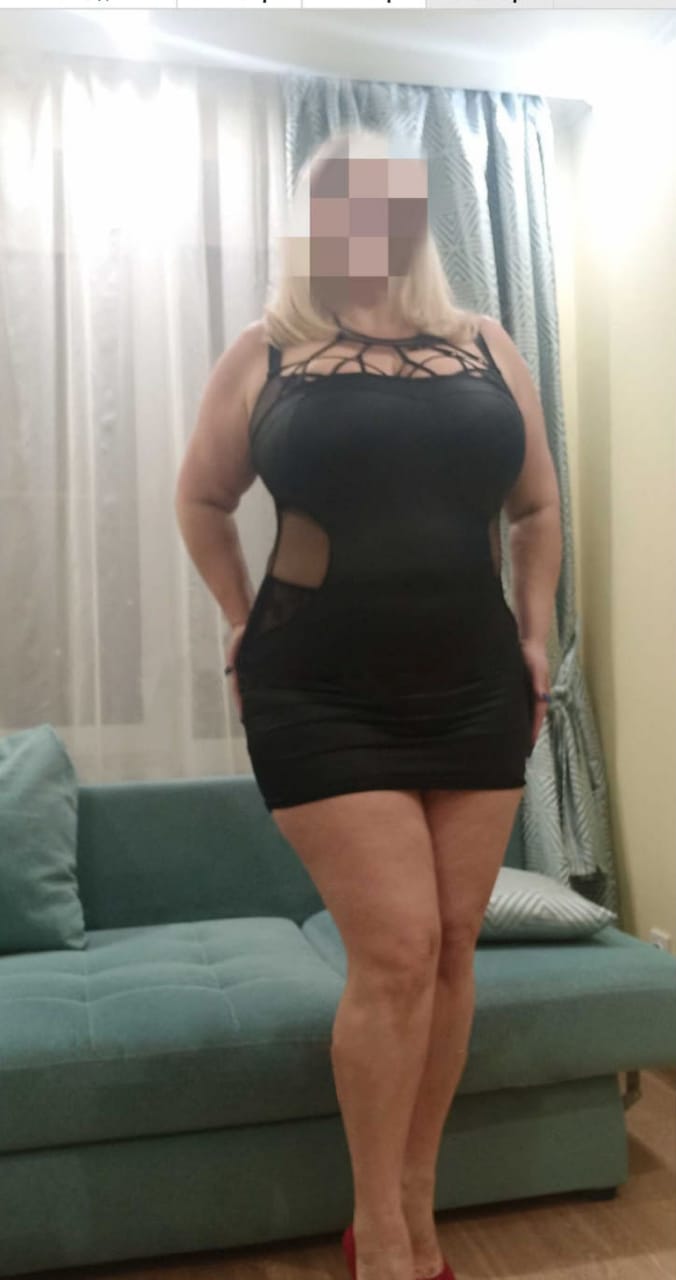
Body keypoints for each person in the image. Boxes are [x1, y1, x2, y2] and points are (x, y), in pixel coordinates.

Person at [175, 126, 562, 1280]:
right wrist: (237, 614)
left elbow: (537, 506)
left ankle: (417, 1204)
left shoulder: (486, 343)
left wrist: (535, 630)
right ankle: (380, 1235)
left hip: (474, 679)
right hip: (317, 686)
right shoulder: (267, 351)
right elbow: (201, 498)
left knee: (451, 947)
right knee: (396, 947)